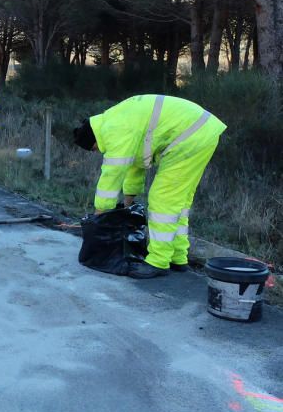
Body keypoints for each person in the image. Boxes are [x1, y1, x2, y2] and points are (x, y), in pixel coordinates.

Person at [73, 95, 226, 279]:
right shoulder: (118, 120)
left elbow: (111, 176)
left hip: (190, 134)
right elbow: (134, 167)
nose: (97, 151)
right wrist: (128, 204)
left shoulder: (114, 129)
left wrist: (100, 216)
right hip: (201, 131)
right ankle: (178, 257)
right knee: (179, 203)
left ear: (93, 139)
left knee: (163, 199)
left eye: (94, 149)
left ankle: (158, 261)